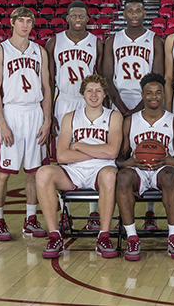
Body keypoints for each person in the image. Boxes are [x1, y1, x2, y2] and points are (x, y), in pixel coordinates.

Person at [36, 75, 122, 258]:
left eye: (98, 90)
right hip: (73, 171)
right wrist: (99, 151)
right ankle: (54, 236)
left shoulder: (114, 116)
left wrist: (80, 146)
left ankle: (104, 236)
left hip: (101, 170)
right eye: (89, 90)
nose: (94, 94)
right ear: (82, 93)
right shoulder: (70, 118)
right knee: (43, 173)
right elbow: (61, 155)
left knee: (109, 176)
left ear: (105, 93)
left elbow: (113, 151)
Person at [103, 0, 164, 230]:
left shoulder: (155, 40)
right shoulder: (112, 40)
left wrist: (141, 107)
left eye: (139, 9)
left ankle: (149, 214)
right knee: (119, 158)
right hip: (119, 101)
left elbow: (157, 77)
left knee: (150, 151)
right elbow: (107, 76)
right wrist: (121, 108)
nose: (135, 13)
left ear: (144, 13)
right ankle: (120, 214)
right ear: (124, 13)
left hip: (147, 101)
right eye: (130, 10)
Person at [45, 0, 104, 230]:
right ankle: (65, 213)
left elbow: (101, 78)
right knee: (63, 158)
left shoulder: (97, 43)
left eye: (82, 16)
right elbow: (48, 81)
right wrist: (48, 115)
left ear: (88, 18)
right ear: (66, 18)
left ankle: (93, 213)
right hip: (63, 101)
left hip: (88, 101)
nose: (78, 19)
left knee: (92, 154)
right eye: (73, 15)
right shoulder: (54, 42)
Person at [0, 7, 52, 241]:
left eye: (29, 21)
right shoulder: (1, 51)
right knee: (3, 173)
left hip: (35, 113)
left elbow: (47, 88)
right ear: (11, 22)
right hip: (12, 113)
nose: (25, 25)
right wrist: (2, 122)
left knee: (34, 171)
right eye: (21, 20)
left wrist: (47, 119)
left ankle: (30, 219)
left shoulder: (39, 51)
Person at [116, 73, 174, 261]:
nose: (154, 97)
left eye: (158, 93)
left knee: (171, 176)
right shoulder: (130, 122)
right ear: (142, 95)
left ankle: (173, 237)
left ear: (164, 95)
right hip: (138, 169)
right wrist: (127, 163)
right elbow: (120, 157)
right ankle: (132, 237)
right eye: (149, 93)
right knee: (122, 177)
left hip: (163, 170)